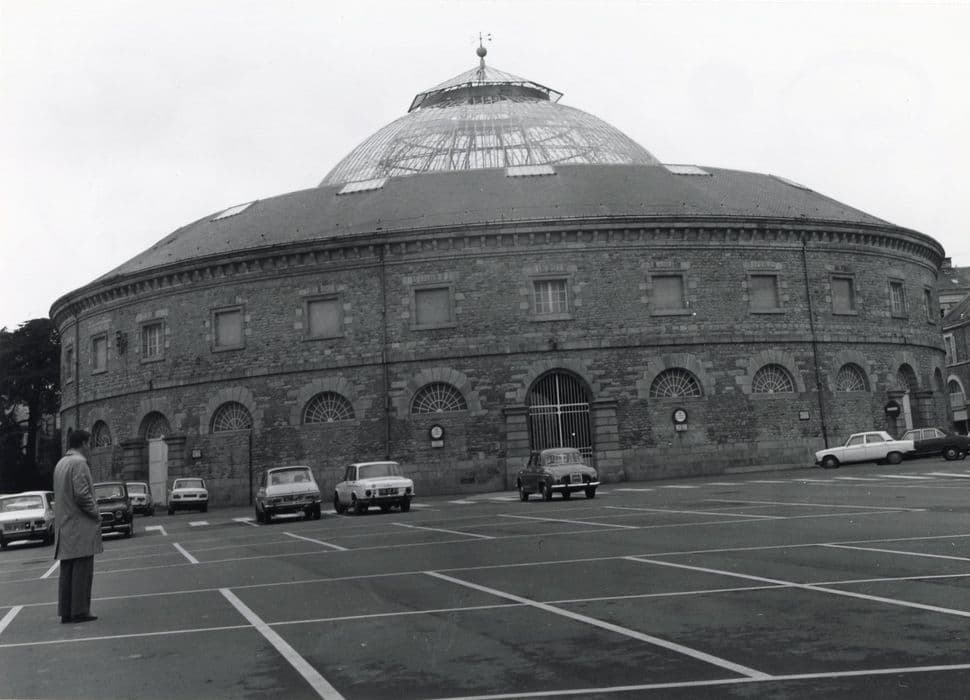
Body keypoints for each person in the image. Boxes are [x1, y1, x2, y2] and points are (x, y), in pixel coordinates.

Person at [52, 429, 103, 624]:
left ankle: (66, 611)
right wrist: (96, 513)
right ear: (82, 443)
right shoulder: (79, 463)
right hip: (80, 526)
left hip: (64, 526)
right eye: (88, 443)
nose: (89, 448)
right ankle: (80, 610)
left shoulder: (61, 463)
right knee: (82, 570)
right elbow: (82, 494)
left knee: (67, 572)